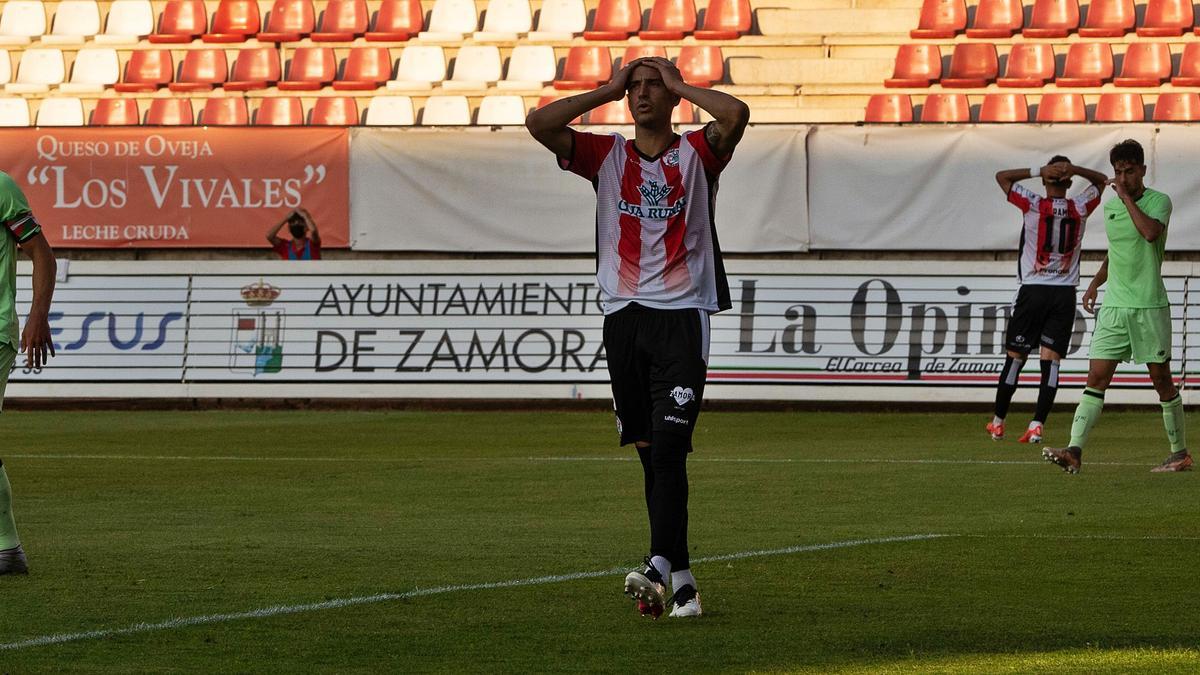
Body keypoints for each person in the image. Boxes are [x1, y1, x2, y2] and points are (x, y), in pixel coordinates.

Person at [526, 56, 749, 619]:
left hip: (681, 316)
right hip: (624, 316)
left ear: (673, 97)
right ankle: (684, 584)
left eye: (656, 86)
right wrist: (606, 89)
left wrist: (680, 84)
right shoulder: (608, 155)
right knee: (652, 458)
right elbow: (541, 124)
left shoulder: (698, 153)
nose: (644, 94)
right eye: (638, 86)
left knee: (671, 450)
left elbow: (736, 112)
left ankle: (656, 563)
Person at [1044, 139, 1192, 473]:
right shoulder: (1112, 208)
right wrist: (1097, 282)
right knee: (1096, 376)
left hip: (1149, 307)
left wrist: (1126, 199)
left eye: (1129, 171)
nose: (1122, 178)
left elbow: (1150, 234)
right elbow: (1118, 251)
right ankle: (1074, 451)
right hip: (1115, 307)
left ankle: (1179, 453)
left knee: (1162, 381)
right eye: (1118, 172)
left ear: (1142, 170)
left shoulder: (1159, 202)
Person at [986, 157, 1107, 444]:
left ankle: (998, 422)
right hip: (1064, 293)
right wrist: (1076, 170)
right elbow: (1102, 181)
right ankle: (1037, 425)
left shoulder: (1032, 203)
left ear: (1044, 181)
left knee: (1015, 359)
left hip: (1033, 289)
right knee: (1051, 363)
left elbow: (1002, 176)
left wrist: (1037, 170)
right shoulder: (1079, 206)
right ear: (1068, 183)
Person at [0, 171, 56, 575]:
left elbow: (41, 253)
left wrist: (37, 316)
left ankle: (7, 548)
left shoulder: (1, 187)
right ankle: (8, 549)